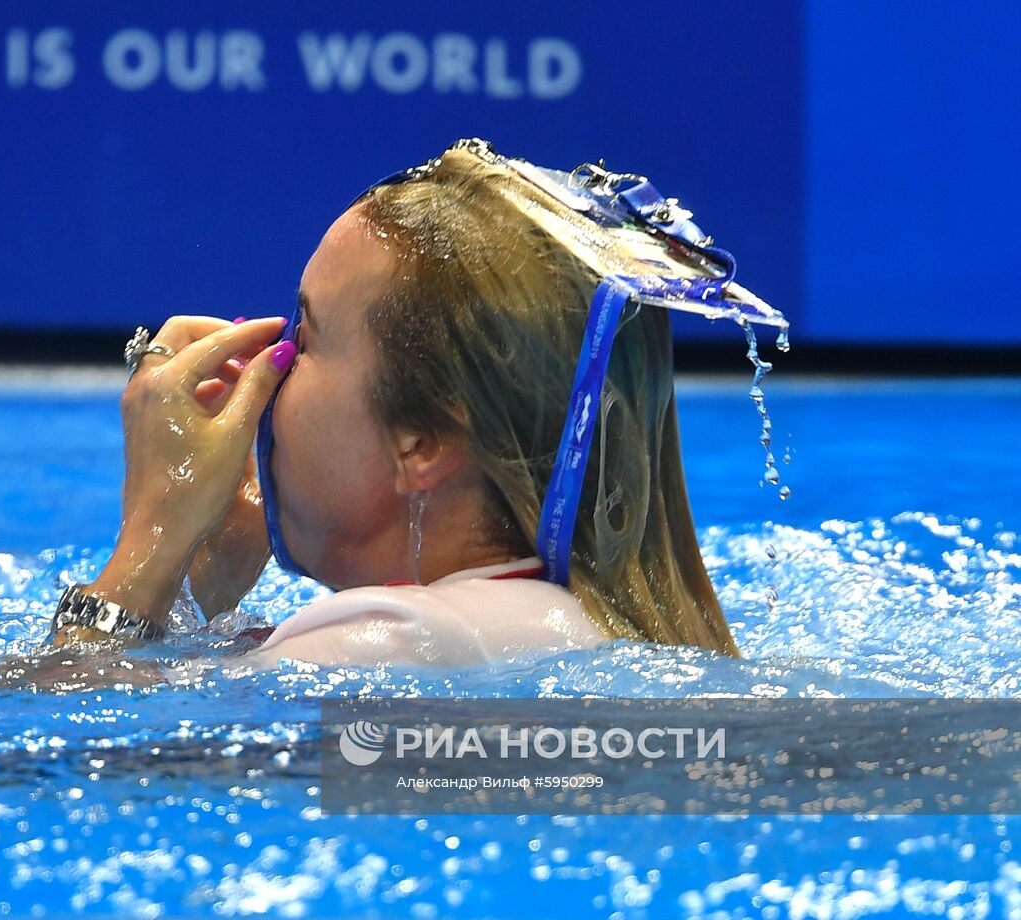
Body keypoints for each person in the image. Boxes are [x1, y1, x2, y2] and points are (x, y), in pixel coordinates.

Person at [46, 139, 749, 670]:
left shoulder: (384, 640)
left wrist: (149, 540)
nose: (260, 374)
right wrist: (199, 590)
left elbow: (58, 763)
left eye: (303, 342)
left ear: (423, 444)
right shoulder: (577, 626)